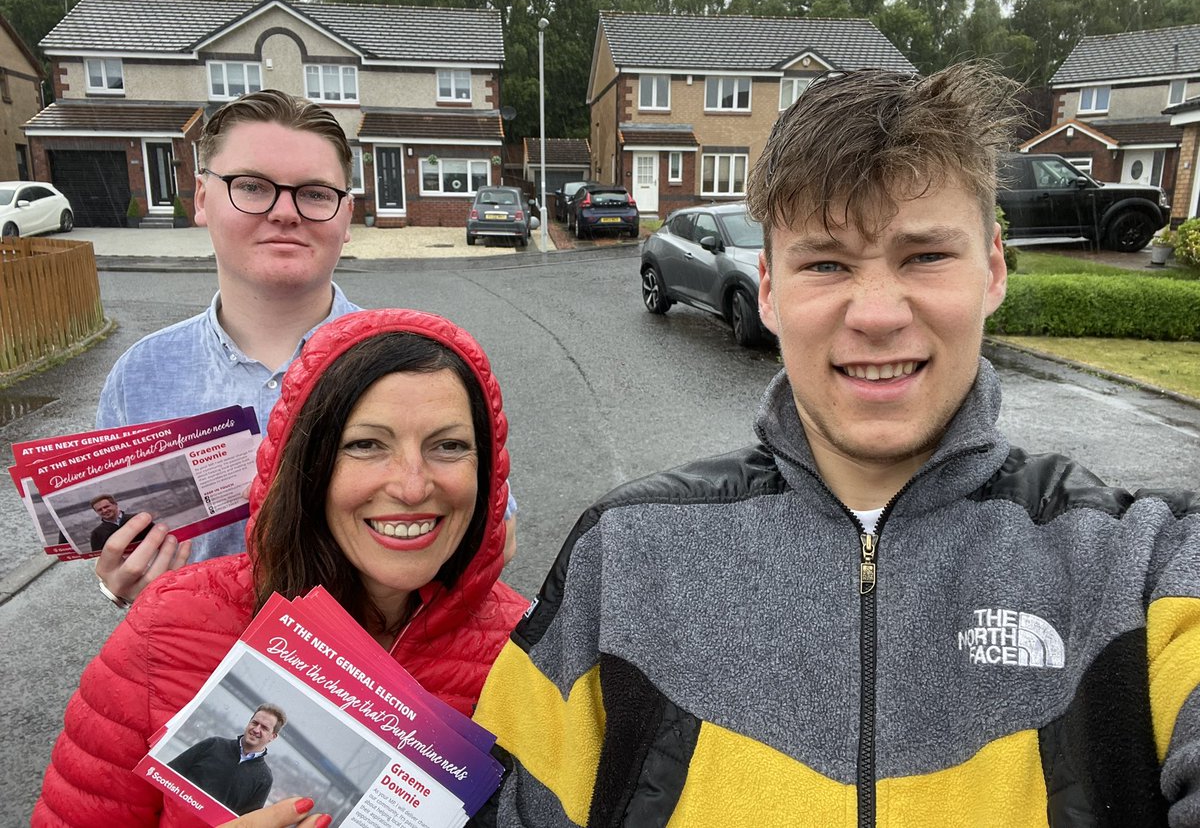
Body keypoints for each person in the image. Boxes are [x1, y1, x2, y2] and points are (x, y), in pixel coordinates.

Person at [472, 63, 1200, 825]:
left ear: (991, 270)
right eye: (826, 262)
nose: (878, 313)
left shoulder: (1142, 569)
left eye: (924, 256)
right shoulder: (621, 559)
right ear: (770, 290)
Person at [34, 309, 529, 827]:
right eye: (365, 445)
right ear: (307, 465)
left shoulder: (534, 655)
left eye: (449, 446)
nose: (411, 487)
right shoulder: (170, 622)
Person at [91, 89, 519, 606]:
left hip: (366, 676)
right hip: (191, 671)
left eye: (315, 193)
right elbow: (115, 534)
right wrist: (115, 583)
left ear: (346, 215)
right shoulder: (141, 377)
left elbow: (494, 535)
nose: (286, 213)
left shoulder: (407, 361)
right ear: (202, 199)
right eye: (252, 186)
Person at [168, 705, 285, 816]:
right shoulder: (213, 744)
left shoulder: (264, 779)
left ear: (272, 737)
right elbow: (169, 773)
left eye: (264, 728)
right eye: (254, 723)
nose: (256, 729)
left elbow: (246, 822)